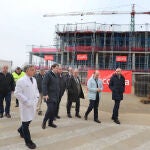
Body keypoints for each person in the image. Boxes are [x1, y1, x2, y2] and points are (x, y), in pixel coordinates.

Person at [14, 65, 39, 149]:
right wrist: (26, 101)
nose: (34, 71)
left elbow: (36, 90)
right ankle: (28, 142)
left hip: (33, 104)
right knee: (25, 123)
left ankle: (20, 130)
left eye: (34, 70)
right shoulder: (21, 80)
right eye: (32, 70)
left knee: (29, 119)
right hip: (25, 105)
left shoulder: (34, 79)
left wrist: (37, 97)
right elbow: (17, 93)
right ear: (26, 71)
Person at [42, 63, 60, 129]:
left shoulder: (56, 75)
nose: (57, 69)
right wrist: (45, 94)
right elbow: (44, 84)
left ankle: (50, 123)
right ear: (52, 68)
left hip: (55, 96)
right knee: (50, 109)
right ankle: (44, 122)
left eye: (58, 68)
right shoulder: (48, 74)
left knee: (53, 110)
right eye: (56, 68)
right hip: (49, 96)